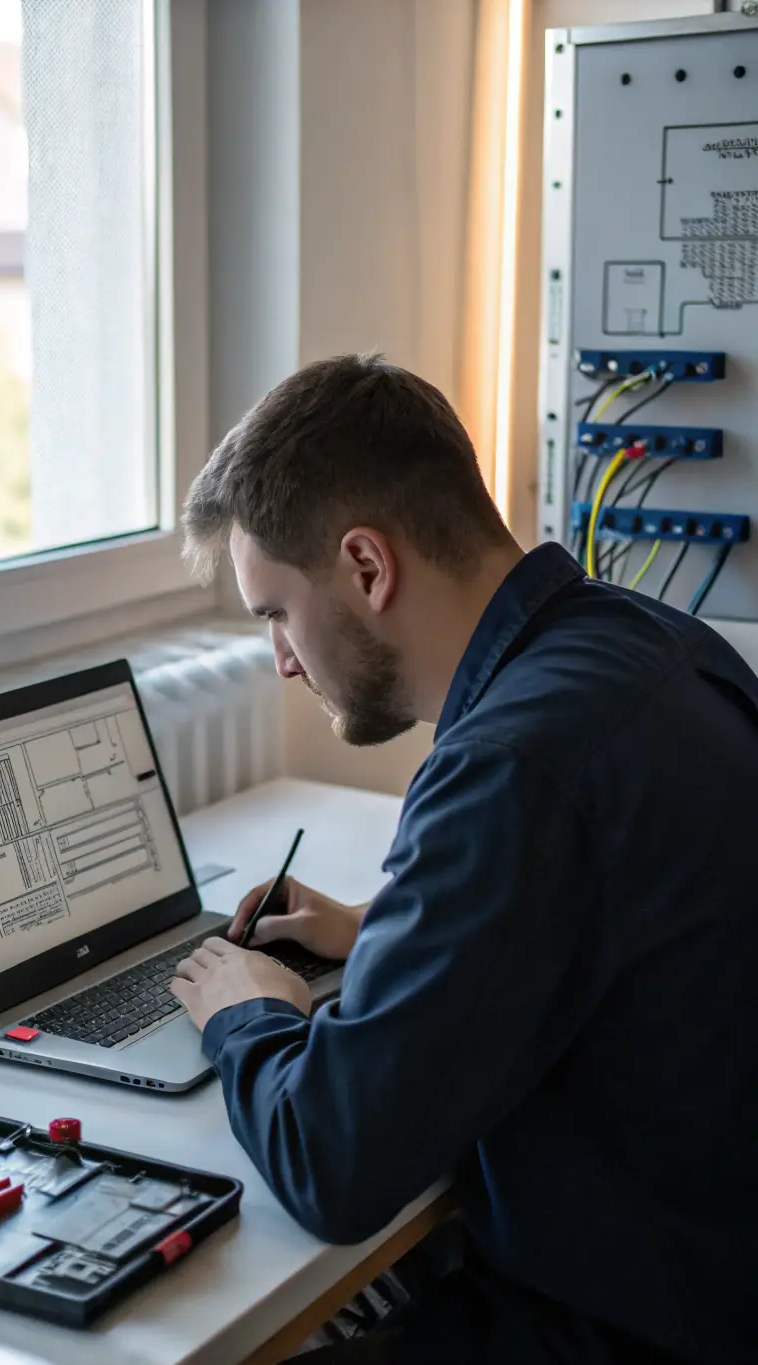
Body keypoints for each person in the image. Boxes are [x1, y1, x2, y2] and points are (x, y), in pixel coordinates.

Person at [169, 353, 758, 1365]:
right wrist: (379, 932)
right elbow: (620, 914)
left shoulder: (507, 765)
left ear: (365, 566)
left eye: (274, 613)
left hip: (623, 1327)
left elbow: (333, 1166)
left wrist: (245, 1011)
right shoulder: (654, 644)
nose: (282, 659)